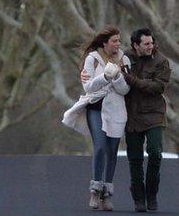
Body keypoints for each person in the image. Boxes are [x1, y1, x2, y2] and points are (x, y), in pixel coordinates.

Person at [61, 25, 131, 211]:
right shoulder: (92, 60)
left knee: (112, 151)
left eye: (119, 40)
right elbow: (89, 87)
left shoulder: (124, 60)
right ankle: (95, 189)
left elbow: (125, 89)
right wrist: (106, 77)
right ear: (105, 42)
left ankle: (107, 193)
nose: (118, 44)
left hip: (116, 110)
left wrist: (117, 77)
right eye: (114, 40)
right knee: (100, 147)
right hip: (96, 108)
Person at [123, 28, 171, 212]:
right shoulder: (126, 57)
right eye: (146, 44)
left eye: (152, 43)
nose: (151, 46)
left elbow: (158, 87)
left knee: (155, 152)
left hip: (154, 115)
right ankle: (138, 196)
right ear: (136, 45)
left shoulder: (161, 62)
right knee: (134, 158)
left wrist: (132, 80)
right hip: (132, 115)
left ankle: (152, 193)